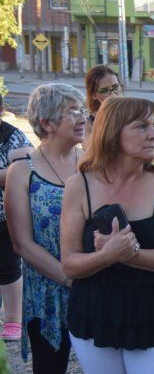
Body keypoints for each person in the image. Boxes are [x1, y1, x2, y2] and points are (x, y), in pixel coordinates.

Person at [58, 97, 154, 374]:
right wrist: (107, 255)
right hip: (93, 318)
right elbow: (69, 264)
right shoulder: (79, 185)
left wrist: (128, 255)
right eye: (142, 127)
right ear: (113, 132)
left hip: (152, 318)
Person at [5, 83, 87, 373]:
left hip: (94, 284)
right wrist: (70, 280)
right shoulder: (22, 171)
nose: (82, 118)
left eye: (82, 110)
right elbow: (22, 244)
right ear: (46, 123)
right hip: (48, 292)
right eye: (72, 112)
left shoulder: (91, 162)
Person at [0, 93, 34, 341]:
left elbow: (27, 171)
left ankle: (13, 319)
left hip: (4, 216)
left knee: (8, 268)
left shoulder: (12, 136)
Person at [83, 65, 122, 151]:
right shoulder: (89, 122)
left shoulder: (132, 113)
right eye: (105, 91)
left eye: (116, 87)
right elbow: (90, 151)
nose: (113, 94)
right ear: (93, 95)